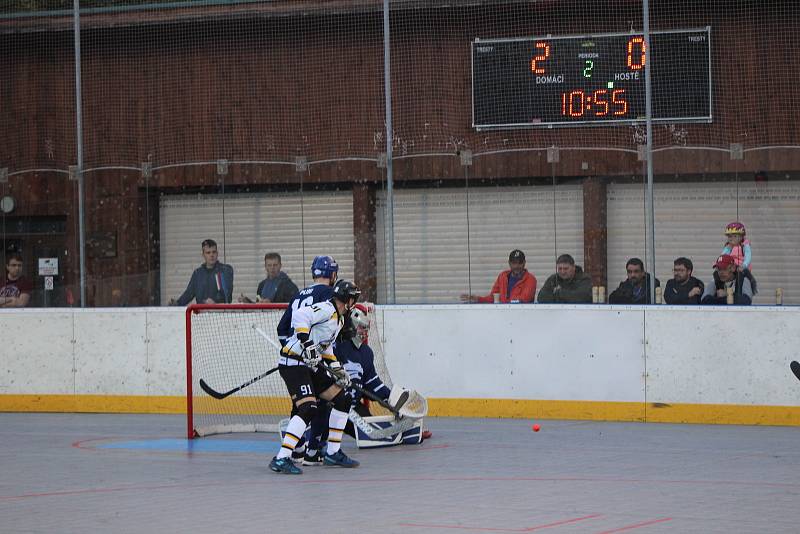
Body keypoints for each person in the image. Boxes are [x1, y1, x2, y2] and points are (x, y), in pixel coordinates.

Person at [300, 303, 430, 464]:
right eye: (361, 328)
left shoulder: (366, 353)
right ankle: (311, 438)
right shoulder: (336, 348)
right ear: (351, 327)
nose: (365, 332)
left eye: (366, 328)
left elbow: (373, 383)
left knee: (375, 436)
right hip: (336, 404)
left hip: (355, 407)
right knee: (326, 410)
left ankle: (408, 432)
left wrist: (393, 400)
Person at [269, 279, 362, 475]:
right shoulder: (327, 309)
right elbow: (300, 316)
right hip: (293, 364)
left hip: (308, 365)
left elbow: (325, 346)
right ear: (347, 299)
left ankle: (333, 452)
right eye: (353, 298)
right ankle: (281, 458)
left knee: (343, 399)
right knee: (308, 407)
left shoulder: (339, 319)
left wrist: (337, 368)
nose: (354, 302)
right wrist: (306, 344)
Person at [169, 239, 233, 305]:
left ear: (217, 253)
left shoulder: (225, 270)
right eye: (208, 253)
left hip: (221, 313)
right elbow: (188, 294)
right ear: (203, 255)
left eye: (214, 252)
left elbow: (227, 295)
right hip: (201, 314)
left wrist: (215, 303)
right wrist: (177, 303)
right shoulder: (197, 274)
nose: (211, 255)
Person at [460, 249, 537, 304]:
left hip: (523, 317)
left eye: (519, 263)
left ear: (524, 263)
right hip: (503, 315)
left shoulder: (531, 279)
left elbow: (524, 300)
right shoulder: (502, 276)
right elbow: (493, 298)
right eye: (514, 263)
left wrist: (503, 303)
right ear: (509, 263)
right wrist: (478, 299)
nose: (516, 266)